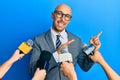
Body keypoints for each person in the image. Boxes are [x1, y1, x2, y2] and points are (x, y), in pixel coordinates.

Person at [29, 4, 100, 80]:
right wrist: (56, 54)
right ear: (53, 15)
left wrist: (92, 50)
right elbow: (32, 71)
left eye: (67, 16)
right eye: (59, 14)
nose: (63, 19)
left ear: (69, 20)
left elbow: (85, 67)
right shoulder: (39, 40)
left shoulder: (76, 41)